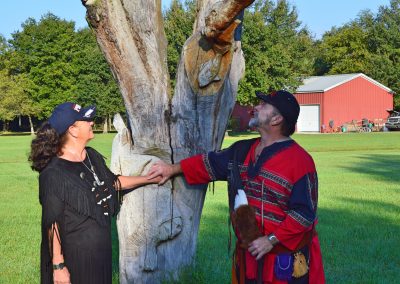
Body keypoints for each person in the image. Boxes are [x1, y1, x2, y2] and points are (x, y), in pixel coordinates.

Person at [148, 90, 325, 283]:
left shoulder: (300, 162)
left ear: (276, 119)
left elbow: (304, 214)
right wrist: (171, 169)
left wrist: (270, 240)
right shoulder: (241, 150)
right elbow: (210, 163)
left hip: (285, 261)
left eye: (263, 105)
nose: (255, 108)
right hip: (249, 255)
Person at [29, 102, 161, 284]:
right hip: (77, 259)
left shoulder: (91, 156)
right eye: (85, 120)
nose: (91, 122)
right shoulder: (53, 173)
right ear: (73, 130)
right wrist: (58, 266)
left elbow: (112, 183)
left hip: (101, 252)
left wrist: (149, 179)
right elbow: (52, 223)